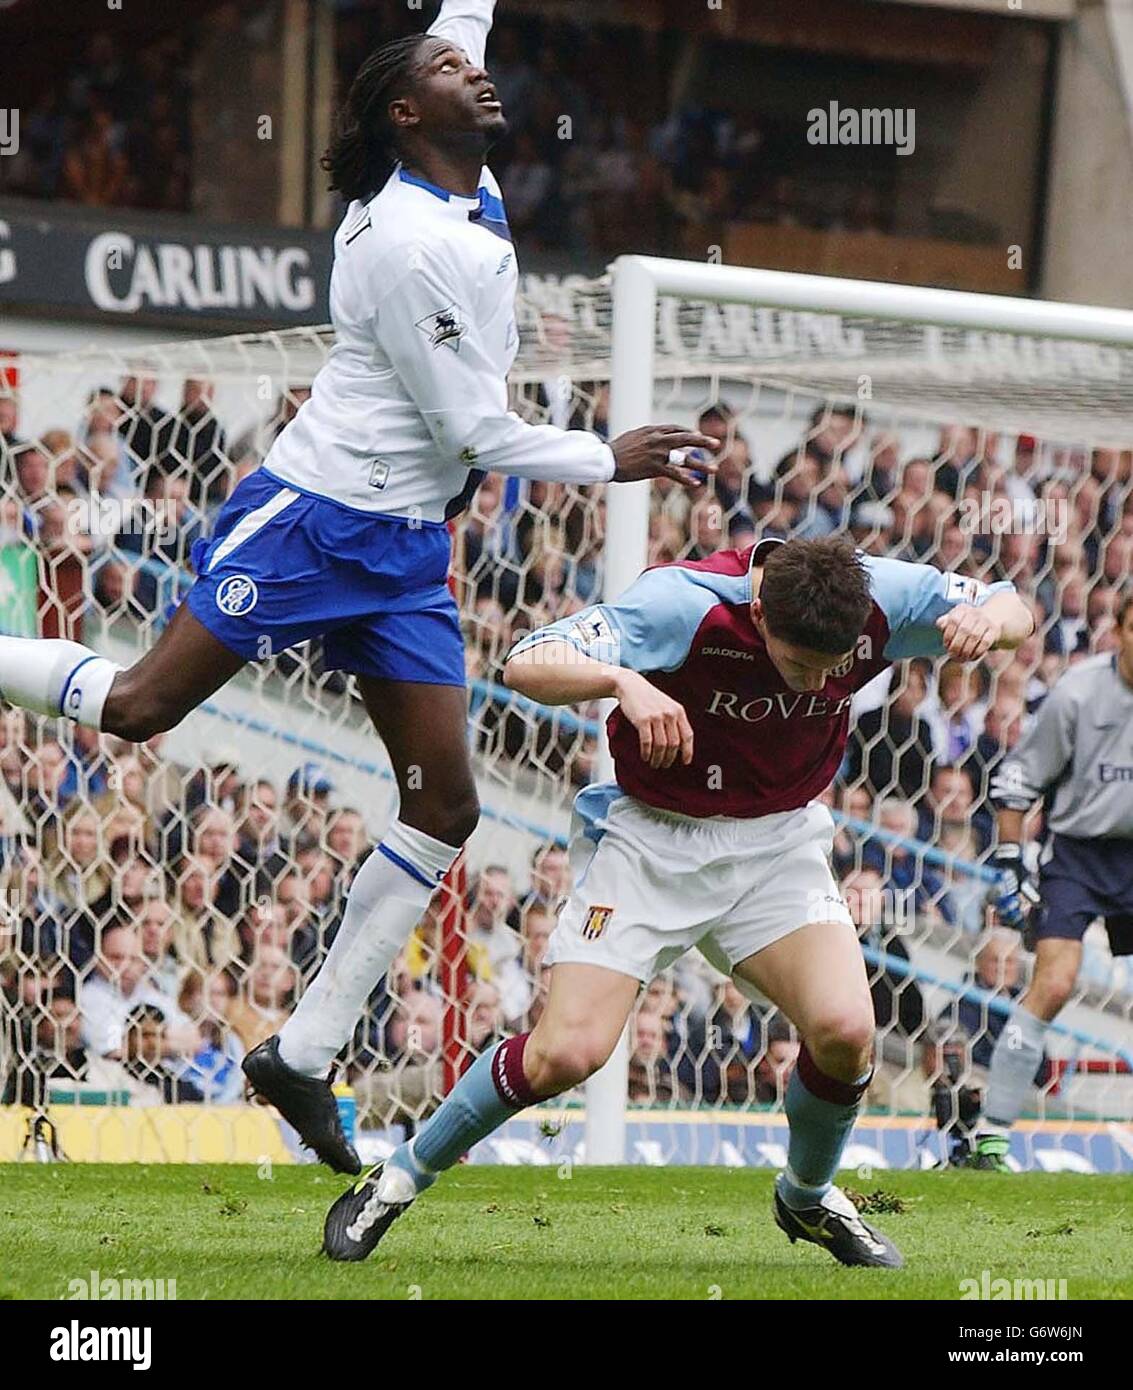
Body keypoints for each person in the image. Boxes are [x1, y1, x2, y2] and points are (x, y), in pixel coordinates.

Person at [0, 0, 711, 1175]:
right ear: (403, 111)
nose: (476, 78)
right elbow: (470, 426)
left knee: (444, 809)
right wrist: (604, 456)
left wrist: (462, 22)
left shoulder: (451, 165)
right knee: (138, 709)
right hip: (313, 523)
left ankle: (301, 1050)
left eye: (466, 66)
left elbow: (464, 16)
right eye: (448, 71)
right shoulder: (404, 243)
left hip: (404, 555)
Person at [321, 534, 1033, 1266]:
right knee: (566, 1054)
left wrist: (988, 621)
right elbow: (525, 661)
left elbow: (1014, 609)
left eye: (829, 672)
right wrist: (619, 682)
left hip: (774, 846)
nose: (810, 686)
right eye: (796, 666)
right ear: (758, 613)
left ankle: (807, 1196)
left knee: (848, 1032)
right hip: (651, 844)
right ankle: (399, 1177)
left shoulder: (878, 595)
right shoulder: (682, 603)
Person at [968, 582, 1133, 1170]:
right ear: (1118, 632)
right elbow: (1018, 779)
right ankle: (990, 1135)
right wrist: (1011, 860)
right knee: (1054, 984)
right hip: (1081, 855)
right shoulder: (1078, 694)